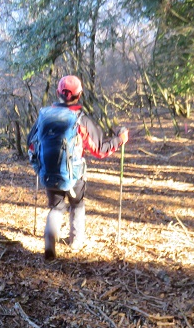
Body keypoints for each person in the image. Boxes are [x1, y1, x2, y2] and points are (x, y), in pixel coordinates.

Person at [27, 75, 129, 260]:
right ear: (79, 95)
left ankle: (50, 236)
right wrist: (119, 140)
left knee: (56, 207)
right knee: (77, 204)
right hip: (74, 174)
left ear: (58, 92)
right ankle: (75, 241)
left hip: (48, 173)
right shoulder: (81, 120)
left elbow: (31, 144)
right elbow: (99, 150)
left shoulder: (44, 116)